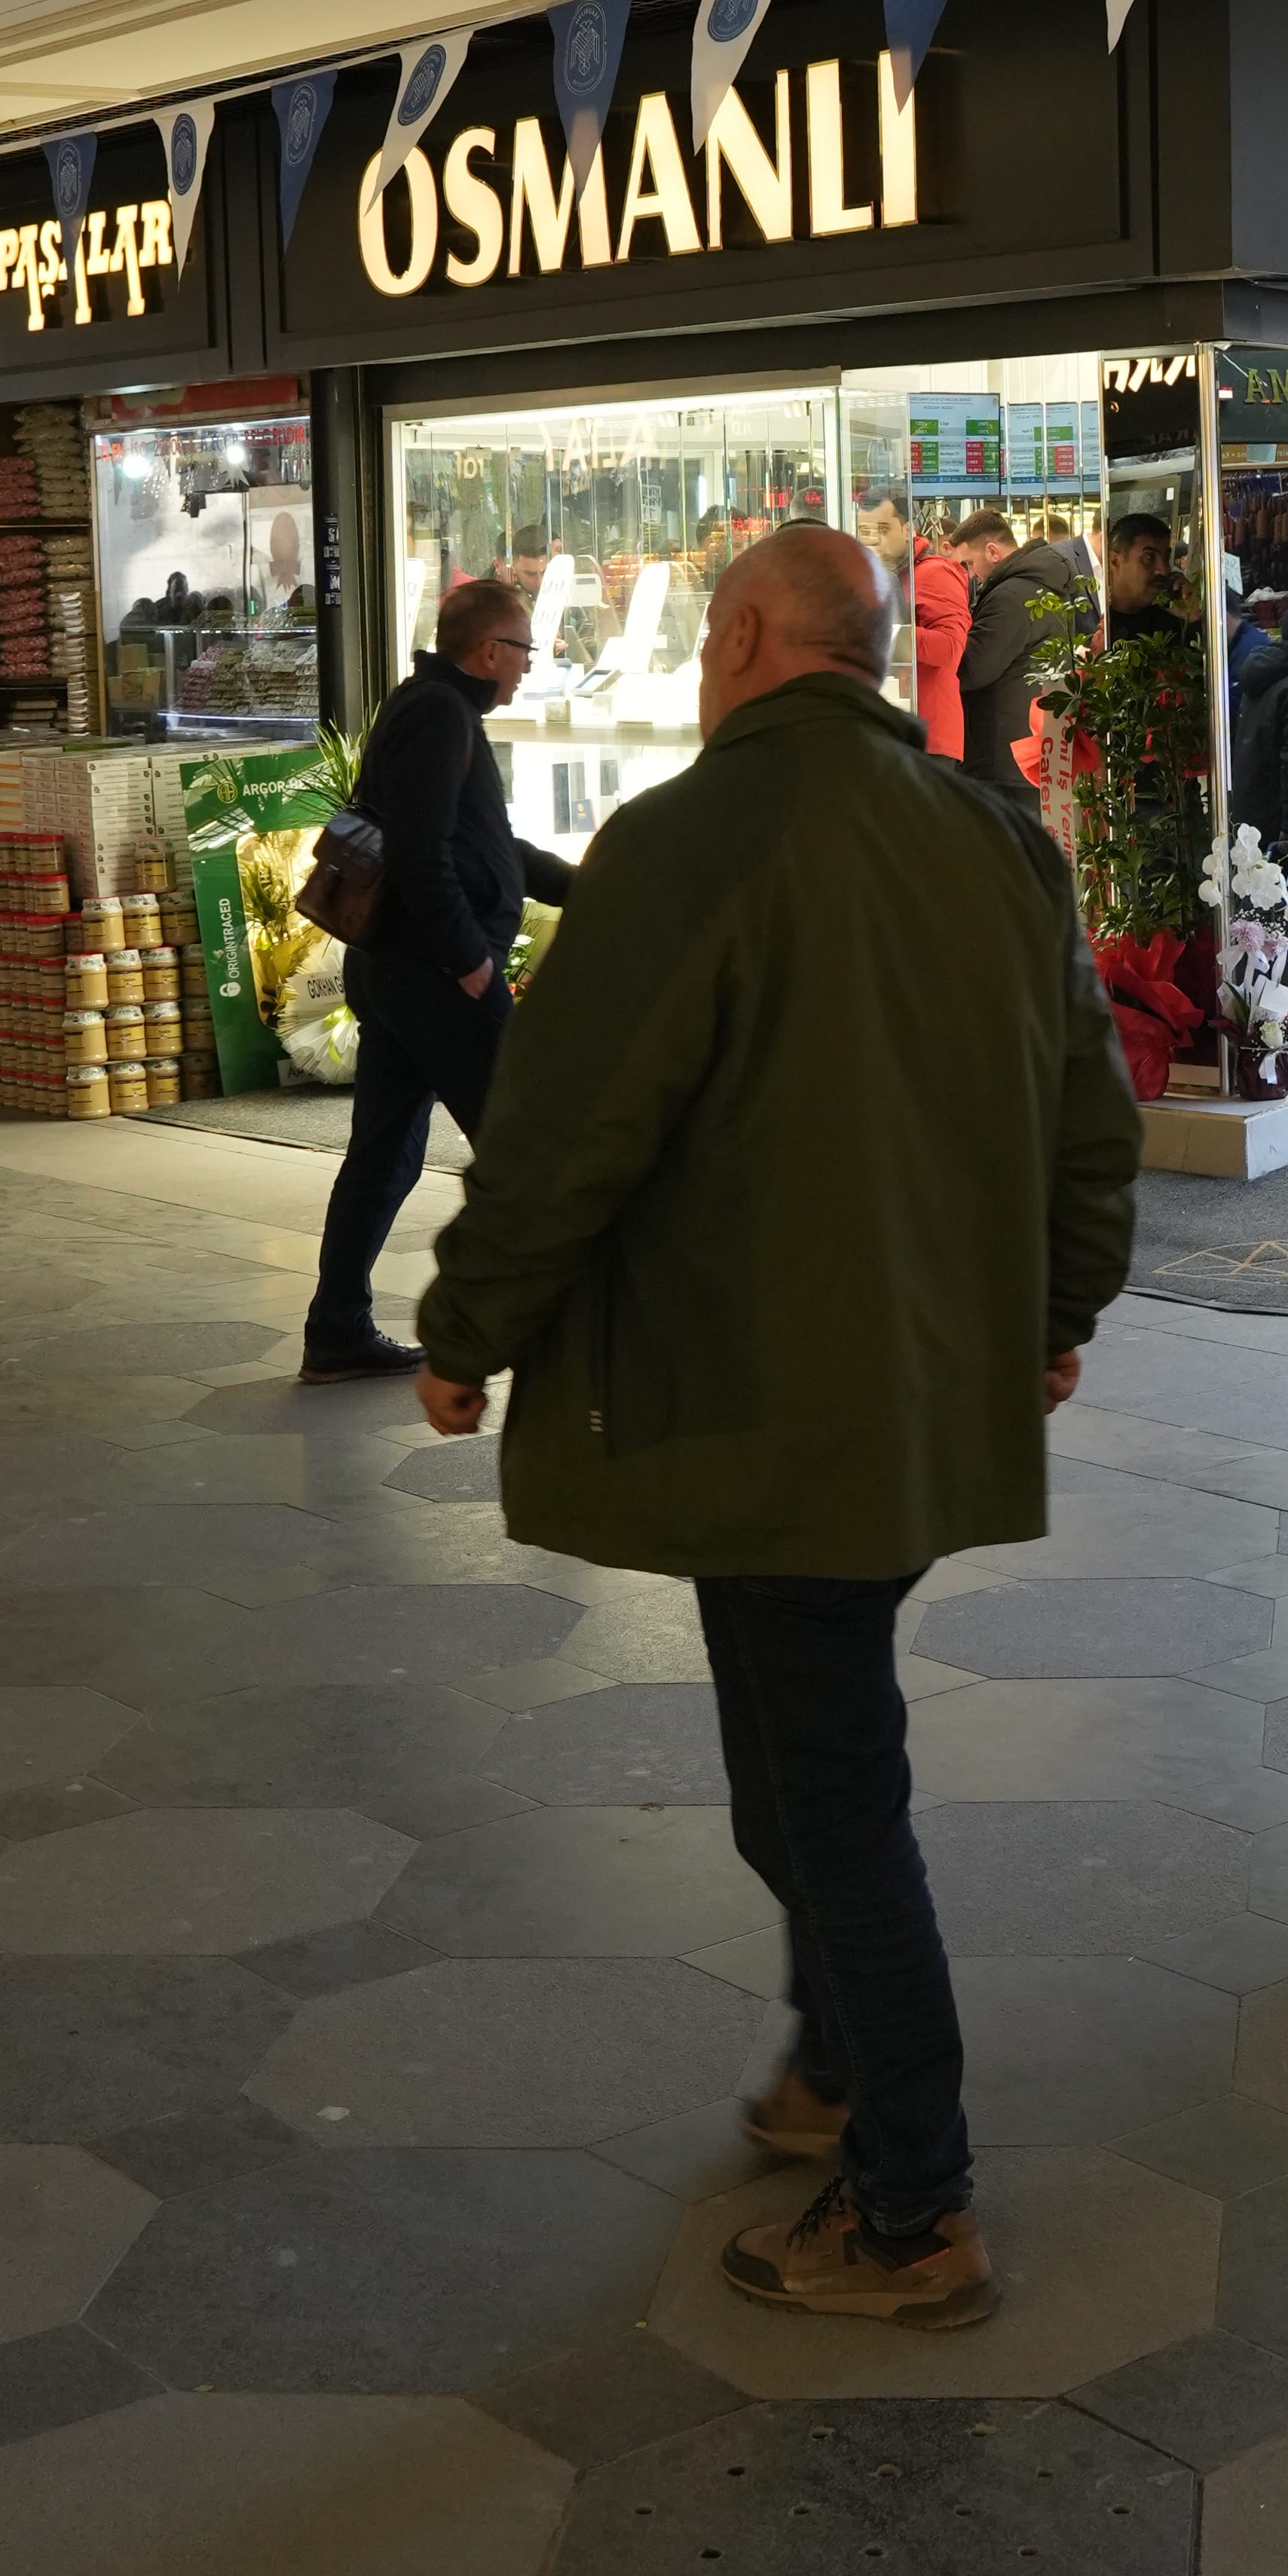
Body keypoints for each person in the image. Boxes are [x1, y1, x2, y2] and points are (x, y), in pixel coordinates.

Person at [411, 528, 1142, 2329]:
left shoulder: (686, 841)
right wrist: (1053, 1315)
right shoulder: (994, 836)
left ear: (742, 636)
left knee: (830, 1801)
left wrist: (467, 1328)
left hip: (754, 1397)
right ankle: (829, 2064)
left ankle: (912, 2206)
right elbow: (1090, 1116)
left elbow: (567, 1127)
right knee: (795, 1769)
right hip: (914, 1392)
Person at [301, 576, 582, 1383]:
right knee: (521, 1152)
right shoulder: (439, 715)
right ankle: (555, 1334)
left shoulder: (432, 705)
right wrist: (468, 960)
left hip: (400, 968)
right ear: (490, 650)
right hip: (432, 976)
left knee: (384, 1154)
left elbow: (481, 845)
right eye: (524, 650)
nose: (528, 666)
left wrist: (581, 885)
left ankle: (337, 1330)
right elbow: (422, 852)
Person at [952, 510, 1099, 805]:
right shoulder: (1043, 585)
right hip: (1032, 744)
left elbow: (973, 669)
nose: (970, 574)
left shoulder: (1009, 596)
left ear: (992, 551)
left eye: (969, 563)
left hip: (1002, 752)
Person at [862, 493, 969, 760]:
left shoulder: (934, 573)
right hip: (893, 728)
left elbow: (950, 648)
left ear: (907, 529)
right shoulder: (881, 576)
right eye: (865, 531)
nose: (874, 539)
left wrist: (888, 634)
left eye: (883, 529)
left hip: (929, 736)